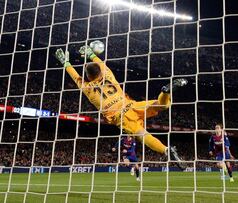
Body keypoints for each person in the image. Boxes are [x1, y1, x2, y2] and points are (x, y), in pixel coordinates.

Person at [55, 45, 187, 166]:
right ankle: (164, 92)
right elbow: (100, 64)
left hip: (121, 116)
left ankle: (166, 150)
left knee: (143, 135)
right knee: (161, 105)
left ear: (88, 77)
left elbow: (75, 77)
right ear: (100, 72)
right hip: (132, 105)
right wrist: (90, 54)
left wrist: (65, 62)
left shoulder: (87, 88)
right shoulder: (107, 74)